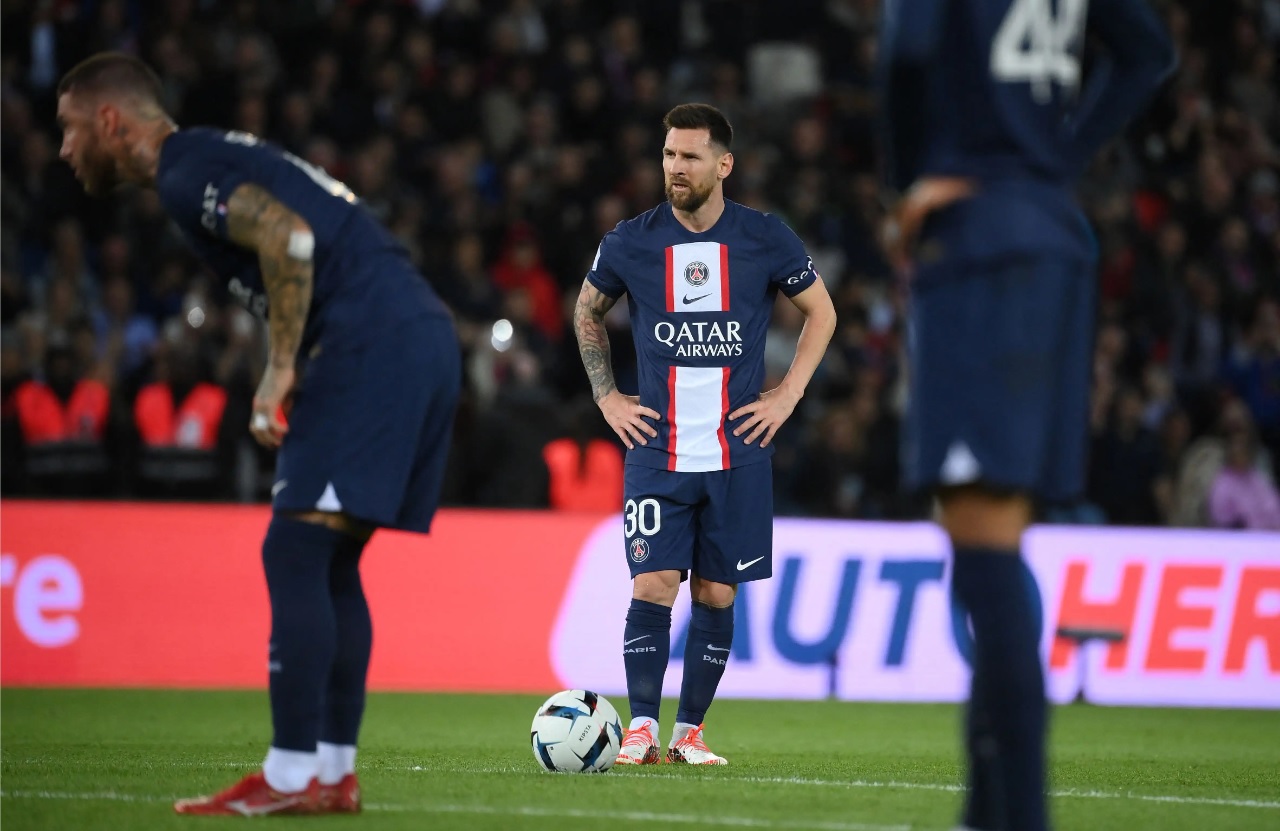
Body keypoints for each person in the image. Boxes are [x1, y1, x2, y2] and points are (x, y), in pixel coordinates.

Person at [56, 53, 460, 816]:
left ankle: (290, 772)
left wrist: (277, 370)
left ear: (110, 121)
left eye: (71, 131)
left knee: (298, 547)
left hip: (368, 342)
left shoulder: (183, 169)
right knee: (332, 558)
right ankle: (331, 772)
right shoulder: (214, 155)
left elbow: (290, 239)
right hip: (416, 336)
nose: (64, 151)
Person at [878, 2, 1174, 829]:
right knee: (996, 539)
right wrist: (1055, 159)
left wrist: (907, 185)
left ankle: (1018, 816)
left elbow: (908, 50)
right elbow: (1148, 53)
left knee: (980, 550)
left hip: (978, 244)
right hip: (1051, 237)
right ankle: (987, 808)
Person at [574, 103, 837, 765]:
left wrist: (789, 392)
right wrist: (607, 397)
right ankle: (640, 729)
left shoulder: (765, 237)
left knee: (716, 592)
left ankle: (689, 732)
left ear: (724, 164)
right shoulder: (631, 241)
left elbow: (822, 311)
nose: (675, 168)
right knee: (653, 582)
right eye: (668, 155)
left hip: (737, 447)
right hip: (657, 447)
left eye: (689, 156)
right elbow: (587, 309)